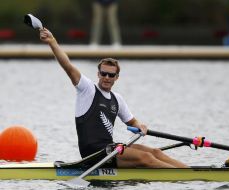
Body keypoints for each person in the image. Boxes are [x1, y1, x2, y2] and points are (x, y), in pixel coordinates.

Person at [39, 28, 188, 168]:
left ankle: (190, 172)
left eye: (111, 75)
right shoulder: (87, 89)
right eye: (103, 73)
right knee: (146, 158)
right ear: (98, 74)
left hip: (110, 149)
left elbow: (132, 121)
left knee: (155, 152)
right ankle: (183, 178)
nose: (106, 77)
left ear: (116, 77)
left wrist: (140, 126)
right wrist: (52, 41)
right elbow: (68, 66)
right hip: (94, 153)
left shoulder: (117, 99)